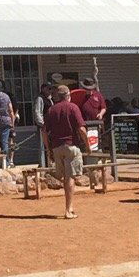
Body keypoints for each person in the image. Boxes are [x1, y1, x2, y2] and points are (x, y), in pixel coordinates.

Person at [43, 79, 89, 219]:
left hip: (57, 147)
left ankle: (69, 207)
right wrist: (87, 146)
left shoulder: (51, 109)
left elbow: (44, 132)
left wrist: (48, 149)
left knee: (64, 178)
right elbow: (81, 129)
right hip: (71, 146)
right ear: (68, 95)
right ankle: (69, 209)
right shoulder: (73, 108)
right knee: (70, 178)